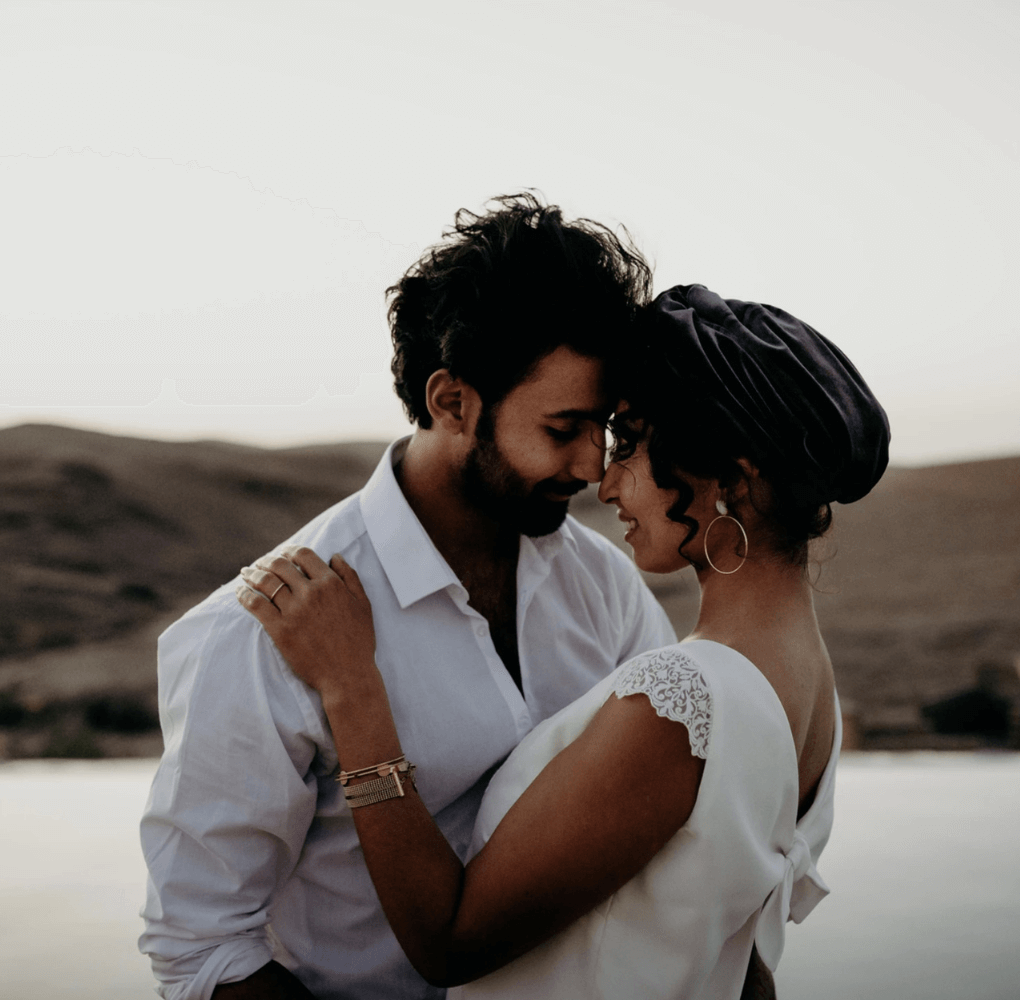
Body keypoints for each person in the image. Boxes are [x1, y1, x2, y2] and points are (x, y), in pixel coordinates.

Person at [238, 284, 890, 998]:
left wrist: (351, 689)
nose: (603, 481)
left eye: (634, 444)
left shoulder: (682, 701)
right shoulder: (807, 683)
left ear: (731, 480)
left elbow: (448, 941)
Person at [138, 193, 678, 1000]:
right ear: (452, 402)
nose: (591, 467)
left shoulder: (601, 585)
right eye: (564, 428)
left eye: (604, 429)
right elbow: (203, 948)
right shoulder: (259, 632)